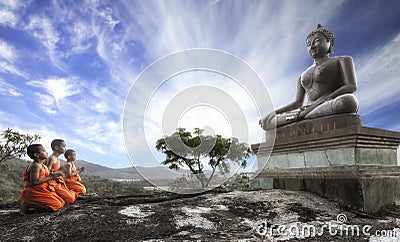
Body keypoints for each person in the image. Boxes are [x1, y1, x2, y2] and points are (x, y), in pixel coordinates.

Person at [259, 24, 358, 131]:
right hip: (304, 110)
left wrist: (323, 100)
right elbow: (297, 103)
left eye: (317, 41)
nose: (312, 47)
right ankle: (301, 116)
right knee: (267, 123)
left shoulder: (342, 60)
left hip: (325, 104)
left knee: (349, 101)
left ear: (329, 42)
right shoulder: (302, 75)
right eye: (309, 44)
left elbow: (351, 86)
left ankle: (300, 117)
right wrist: (273, 113)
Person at [20, 144, 65, 215]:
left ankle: (31, 203)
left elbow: (48, 174)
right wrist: (51, 177)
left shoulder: (43, 165)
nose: (46, 152)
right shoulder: (35, 165)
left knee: (61, 202)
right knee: (56, 205)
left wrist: (57, 173)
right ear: (36, 155)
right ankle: (27, 204)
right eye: (44, 151)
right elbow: (34, 181)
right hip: (34, 191)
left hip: (43, 190)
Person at [45, 139, 77, 204]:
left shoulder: (57, 159)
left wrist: (61, 170)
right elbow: (47, 172)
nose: (65, 148)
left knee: (72, 196)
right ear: (56, 147)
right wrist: (57, 173)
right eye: (64, 146)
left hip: (57, 181)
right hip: (52, 182)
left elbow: (55, 170)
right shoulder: (52, 158)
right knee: (70, 199)